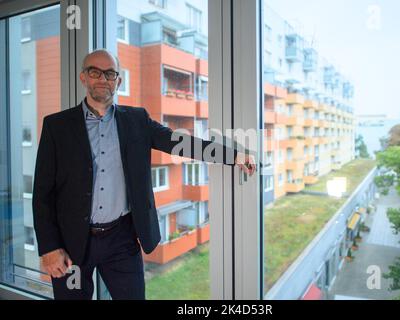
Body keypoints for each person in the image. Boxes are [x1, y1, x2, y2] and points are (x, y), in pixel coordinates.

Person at [32, 49, 256, 300]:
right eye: (95, 72)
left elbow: (179, 142)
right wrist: (49, 247)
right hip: (71, 242)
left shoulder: (136, 120)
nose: (102, 79)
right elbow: (42, 193)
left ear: (118, 81)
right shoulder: (57, 126)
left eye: (110, 74)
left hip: (121, 240)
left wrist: (233, 156)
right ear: (84, 77)